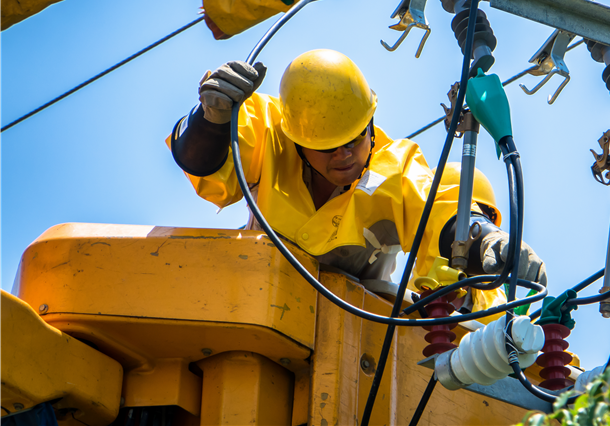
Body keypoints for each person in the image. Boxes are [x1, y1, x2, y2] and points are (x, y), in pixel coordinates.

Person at [167, 49, 546, 310]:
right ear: (296, 140)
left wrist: (485, 237)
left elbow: (433, 203)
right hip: (253, 298)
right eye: (328, 148)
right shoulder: (271, 129)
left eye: (354, 139)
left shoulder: (393, 168)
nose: (344, 155)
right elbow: (200, 162)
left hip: (350, 321)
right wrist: (211, 121)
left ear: (370, 123)